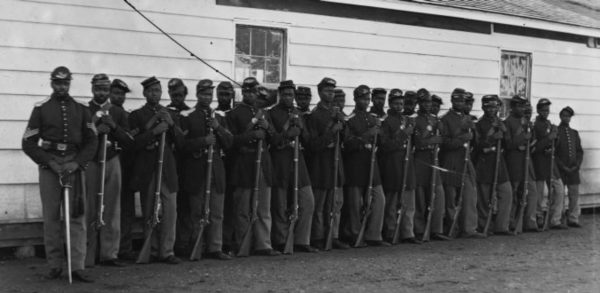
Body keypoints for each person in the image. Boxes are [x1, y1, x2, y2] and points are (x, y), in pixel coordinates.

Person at [22, 66, 97, 282]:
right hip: (50, 166)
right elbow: (28, 142)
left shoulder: (81, 109)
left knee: (77, 215)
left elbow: (92, 140)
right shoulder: (41, 109)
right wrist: (49, 162)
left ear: (70, 83)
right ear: (51, 83)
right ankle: (54, 265)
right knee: (51, 217)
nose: (61, 86)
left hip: (73, 164)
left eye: (65, 83)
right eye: (57, 82)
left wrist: (78, 162)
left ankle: (77, 266)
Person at [128, 76, 184, 264]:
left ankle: (167, 251)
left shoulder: (171, 114)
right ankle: (150, 249)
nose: (155, 94)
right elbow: (133, 143)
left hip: (167, 168)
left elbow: (181, 143)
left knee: (170, 210)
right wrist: (154, 131)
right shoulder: (136, 115)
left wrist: (172, 124)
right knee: (150, 210)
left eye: (158, 91)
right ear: (144, 93)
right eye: (151, 91)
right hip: (148, 168)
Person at [179, 79, 234, 260]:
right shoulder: (187, 115)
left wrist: (217, 128)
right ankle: (197, 245)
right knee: (197, 211)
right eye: (203, 94)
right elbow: (182, 145)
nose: (207, 97)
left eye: (209, 94)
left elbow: (229, 142)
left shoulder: (219, 116)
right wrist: (203, 142)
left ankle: (215, 247)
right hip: (196, 168)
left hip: (216, 168)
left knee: (217, 211)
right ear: (197, 94)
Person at [226, 77, 280, 256]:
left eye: (253, 91)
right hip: (244, 163)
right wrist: (251, 135)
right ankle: (243, 244)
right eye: (247, 91)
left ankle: (264, 244)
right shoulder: (234, 114)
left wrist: (267, 128)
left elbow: (276, 140)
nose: (250, 94)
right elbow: (231, 141)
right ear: (243, 93)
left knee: (263, 208)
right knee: (243, 207)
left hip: (263, 163)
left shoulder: (264, 113)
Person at [85, 74, 132, 267]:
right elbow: (80, 138)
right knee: (90, 207)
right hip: (91, 162)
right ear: (92, 89)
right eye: (98, 88)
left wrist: (113, 127)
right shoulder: (84, 110)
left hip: (112, 160)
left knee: (112, 209)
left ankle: (109, 253)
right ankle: (88, 254)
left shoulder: (118, 112)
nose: (102, 93)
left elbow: (129, 141)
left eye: (105, 89)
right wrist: (97, 129)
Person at [268, 80, 317, 253]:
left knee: (307, 200)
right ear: (280, 94)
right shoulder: (272, 113)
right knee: (280, 204)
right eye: (286, 94)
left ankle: (301, 240)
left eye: (292, 95)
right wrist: (288, 129)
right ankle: (281, 240)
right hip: (280, 161)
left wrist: (301, 129)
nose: (290, 98)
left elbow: (309, 140)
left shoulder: (298, 113)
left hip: (298, 160)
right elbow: (273, 140)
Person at [341, 85, 388, 247]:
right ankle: (355, 234)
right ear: (355, 99)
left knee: (379, 198)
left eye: (368, 99)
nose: (366, 102)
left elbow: (382, 142)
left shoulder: (373, 118)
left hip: (371, 163)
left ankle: (374, 234)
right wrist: (366, 136)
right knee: (355, 203)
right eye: (362, 99)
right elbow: (347, 144)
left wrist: (379, 132)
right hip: (356, 164)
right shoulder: (350, 119)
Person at [306, 78, 349, 250]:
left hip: (336, 164)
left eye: (332, 90)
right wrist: (332, 128)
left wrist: (342, 124)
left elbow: (346, 139)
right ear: (320, 92)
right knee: (320, 205)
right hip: (321, 165)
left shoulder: (338, 113)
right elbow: (313, 144)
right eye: (327, 90)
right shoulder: (314, 115)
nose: (330, 93)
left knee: (335, 204)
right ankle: (318, 236)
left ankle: (334, 235)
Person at [440, 88, 485, 238]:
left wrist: (473, 132)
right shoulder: (445, 119)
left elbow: (476, 143)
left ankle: (469, 228)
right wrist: (462, 137)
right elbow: (445, 143)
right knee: (451, 196)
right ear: (452, 101)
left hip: (466, 159)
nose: (460, 103)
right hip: (451, 160)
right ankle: (453, 227)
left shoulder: (468, 118)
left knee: (470, 194)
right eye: (457, 100)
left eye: (463, 101)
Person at [378, 90, 419, 244]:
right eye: (396, 103)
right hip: (392, 164)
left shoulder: (406, 119)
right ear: (390, 104)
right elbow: (386, 145)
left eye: (401, 104)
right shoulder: (385, 121)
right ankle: (390, 232)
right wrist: (403, 133)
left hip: (407, 164)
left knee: (409, 201)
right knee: (392, 202)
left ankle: (408, 232)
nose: (399, 106)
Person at [412, 90, 448, 241]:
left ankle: (436, 229)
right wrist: (432, 138)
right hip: (420, 159)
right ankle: (420, 229)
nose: (427, 105)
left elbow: (444, 137)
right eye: (424, 102)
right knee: (420, 196)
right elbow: (418, 142)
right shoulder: (413, 119)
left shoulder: (436, 119)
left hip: (434, 158)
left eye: (429, 102)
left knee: (438, 195)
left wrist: (437, 136)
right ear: (419, 104)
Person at [474, 95, 512, 235]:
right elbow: (477, 145)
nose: (492, 109)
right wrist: (492, 136)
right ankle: (484, 226)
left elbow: (509, 145)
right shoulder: (479, 124)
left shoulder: (501, 123)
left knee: (506, 193)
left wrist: (505, 132)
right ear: (483, 107)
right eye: (488, 106)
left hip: (499, 162)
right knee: (484, 197)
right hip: (485, 164)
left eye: (494, 107)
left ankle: (502, 226)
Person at [504, 96, 539, 232]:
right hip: (514, 162)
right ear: (512, 107)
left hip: (527, 160)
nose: (521, 109)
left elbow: (533, 141)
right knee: (514, 191)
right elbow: (509, 144)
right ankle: (511, 222)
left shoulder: (527, 122)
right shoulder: (508, 122)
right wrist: (523, 138)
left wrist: (529, 143)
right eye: (518, 106)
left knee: (531, 191)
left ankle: (529, 221)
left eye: (523, 106)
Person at [532, 98, 566, 229]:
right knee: (539, 193)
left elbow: (554, 144)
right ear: (538, 110)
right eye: (543, 110)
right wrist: (549, 138)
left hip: (550, 162)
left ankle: (555, 219)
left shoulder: (549, 124)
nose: (546, 112)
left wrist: (555, 138)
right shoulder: (534, 126)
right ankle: (539, 217)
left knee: (559, 189)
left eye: (547, 110)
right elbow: (535, 148)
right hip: (540, 163)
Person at [555, 106, 584, 228]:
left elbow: (579, 151)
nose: (566, 118)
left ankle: (573, 218)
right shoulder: (556, 131)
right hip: (561, 169)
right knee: (559, 195)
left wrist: (577, 165)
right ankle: (560, 218)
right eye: (564, 115)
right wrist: (562, 166)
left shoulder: (574, 133)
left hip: (573, 169)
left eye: (568, 116)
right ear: (560, 116)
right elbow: (554, 153)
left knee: (574, 194)